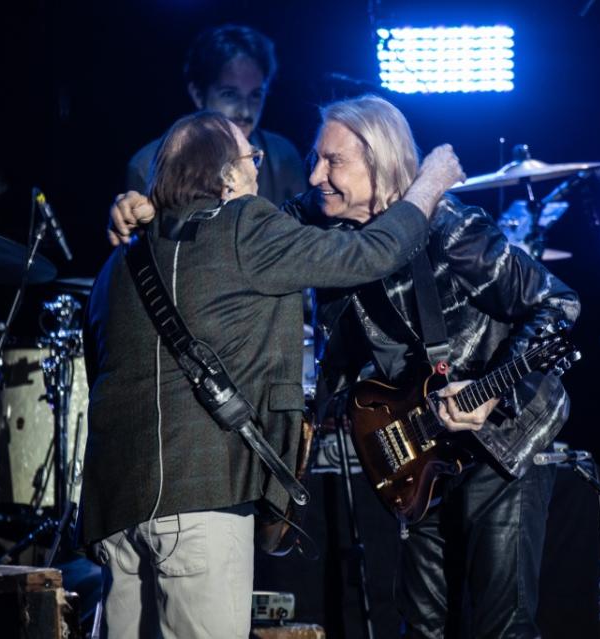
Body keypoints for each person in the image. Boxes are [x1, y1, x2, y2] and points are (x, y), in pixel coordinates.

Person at [110, 95, 581, 638]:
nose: (315, 175)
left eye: (333, 161)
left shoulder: (453, 228)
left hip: (501, 440)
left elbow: (560, 306)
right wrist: (146, 205)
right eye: (315, 159)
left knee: (499, 626)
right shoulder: (318, 219)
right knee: (422, 624)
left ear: (379, 160)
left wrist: (498, 391)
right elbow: (223, 220)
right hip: (422, 447)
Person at [86, 109, 464, 638]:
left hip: (116, 511)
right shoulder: (245, 225)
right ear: (225, 176)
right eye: (250, 158)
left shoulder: (116, 265)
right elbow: (372, 253)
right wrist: (428, 185)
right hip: (201, 501)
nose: (259, 171)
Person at [126, 24, 305, 206]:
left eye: (255, 95)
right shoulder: (148, 165)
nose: (245, 111)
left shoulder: (283, 156)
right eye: (229, 94)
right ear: (197, 93)